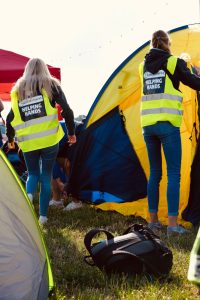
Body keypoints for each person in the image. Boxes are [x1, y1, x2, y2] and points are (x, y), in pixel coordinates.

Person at [139, 30, 200, 236]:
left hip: (148, 127)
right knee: (174, 174)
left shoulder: (142, 67)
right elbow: (194, 83)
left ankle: (153, 221)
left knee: (155, 173)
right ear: (167, 44)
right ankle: (172, 225)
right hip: (167, 125)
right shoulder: (173, 62)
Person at [6, 58, 76, 224]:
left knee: (32, 174)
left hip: (28, 141)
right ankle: (43, 217)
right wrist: (71, 132)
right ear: (45, 69)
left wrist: (10, 139)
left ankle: (29, 195)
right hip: (49, 140)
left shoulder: (18, 89)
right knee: (46, 175)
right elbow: (66, 109)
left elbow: (10, 118)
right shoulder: (51, 84)